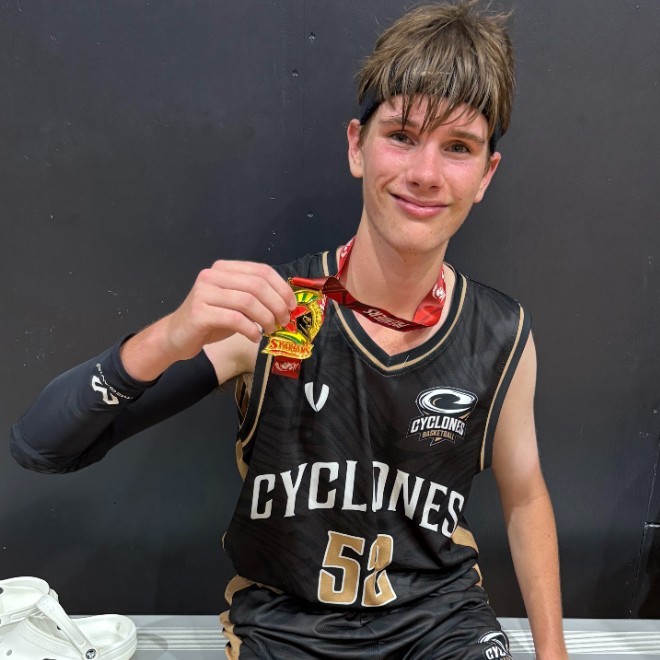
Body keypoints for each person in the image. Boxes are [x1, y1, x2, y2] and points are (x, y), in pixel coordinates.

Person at [10, 2, 568, 658]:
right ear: (357, 146)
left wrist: (553, 653)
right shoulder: (275, 309)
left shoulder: (501, 331)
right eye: (401, 135)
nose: (424, 173)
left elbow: (525, 498)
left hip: (441, 625)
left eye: (458, 147)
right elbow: (42, 447)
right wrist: (168, 338)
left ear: (485, 176)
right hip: (289, 626)